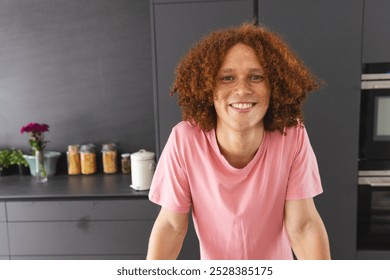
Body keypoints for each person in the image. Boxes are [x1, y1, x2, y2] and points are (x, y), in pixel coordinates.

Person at [146, 23, 331, 260]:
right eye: (227, 78)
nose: (242, 89)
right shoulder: (185, 140)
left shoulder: (292, 136)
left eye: (256, 77)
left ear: (274, 86)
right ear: (207, 87)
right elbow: (171, 227)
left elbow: (303, 225)